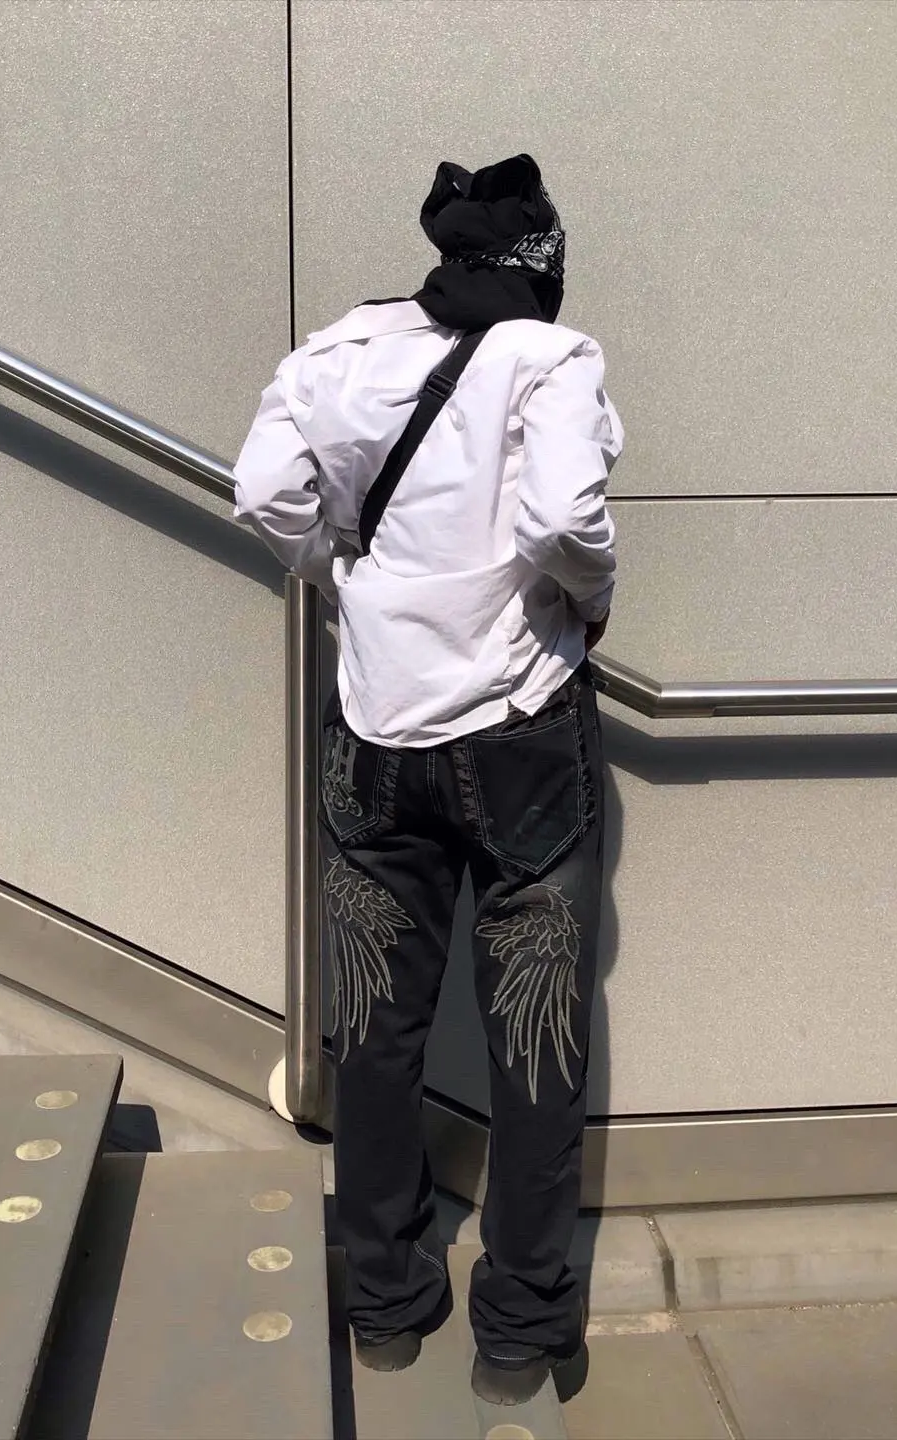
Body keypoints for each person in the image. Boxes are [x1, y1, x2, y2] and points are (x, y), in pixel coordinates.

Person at [232, 153, 622, 1405]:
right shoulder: (550, 360)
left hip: (375, 729)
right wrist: (590, 598)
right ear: (543, 269)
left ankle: (387, 1307)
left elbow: (263, 493)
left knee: (375, 1034)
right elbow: (561, 521)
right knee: (536, 1040)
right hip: (520, 737)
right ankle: (520, 1331)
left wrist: (342, 572)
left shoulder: (339, 350)